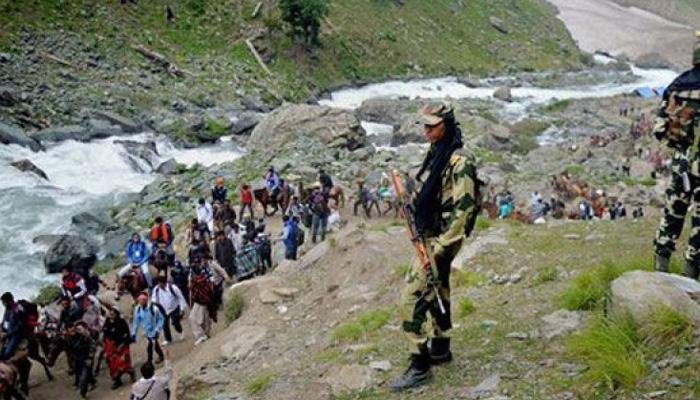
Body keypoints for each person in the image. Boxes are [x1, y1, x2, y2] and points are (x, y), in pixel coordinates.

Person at [390, 102, 480, 391]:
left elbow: (463, 209)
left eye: (432, 126)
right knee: (439, 286)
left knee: (411, 296)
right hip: (429, 233)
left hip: (442, 238)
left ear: (447, 125)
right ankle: (441, 348)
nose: (426, 130)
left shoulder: (459, 160)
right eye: (425, 126)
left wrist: (442, 247)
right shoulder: (437, 152)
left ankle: (419, 367)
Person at [653, 33, 700, 276]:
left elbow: (659, 130)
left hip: (682, 163)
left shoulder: (677, 86)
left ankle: (660, 269)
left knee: (673, 213)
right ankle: (691, 276)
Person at [102, 307, 134, 390]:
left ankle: (131, 373)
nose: (111, 315)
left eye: (113, 314)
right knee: (113, 365)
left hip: (122, 346)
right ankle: (117, 381)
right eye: (110, 313)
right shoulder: (107, 322)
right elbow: (105, 335)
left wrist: (122, 344)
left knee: (124, 363)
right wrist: (106, 346)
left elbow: (127, 334)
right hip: (112, 348)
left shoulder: (121, 322)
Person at [151, 276, 187, 346]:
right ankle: (168, 339)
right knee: (164, 324)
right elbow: (153, 299)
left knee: (176, 322)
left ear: (164, 283)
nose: (159, 285)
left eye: (160, 283)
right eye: (158, 283)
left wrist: (182, 309)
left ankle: (180, 332)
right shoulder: (156, 289)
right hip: (163, 309)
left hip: (174, 308)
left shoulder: (173, 288)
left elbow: (180, 297)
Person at [132, 293, 165, 365]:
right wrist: (134, 333)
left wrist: (157, 329)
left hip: (154, 329)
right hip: (146, 331)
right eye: (139, 301)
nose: (140, 303)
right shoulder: (138, 309)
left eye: (142, 301)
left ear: (146, 301)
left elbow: (161, 319)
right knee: (155, 344)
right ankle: (161, 355)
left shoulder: (153, 308)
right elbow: (136, 322)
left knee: (150, 346)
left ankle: (149, 361)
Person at [66, 321, 96, 398]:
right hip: (77, 359)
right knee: (81, 373)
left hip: (86, 357)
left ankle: (83, 391)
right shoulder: (68, 339)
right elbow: (69, 351)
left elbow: (92, 344)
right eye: (70, 331)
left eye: (73, 330)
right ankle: (92, 382)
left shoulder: (84, 335)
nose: (72, 333)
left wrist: (90, 356)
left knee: (84, 377)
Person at [188, 261, 215, 346]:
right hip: (205, 301)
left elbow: (192, 289)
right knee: (205, 318)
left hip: (200, 301)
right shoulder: (203, 279)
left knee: (193, 318)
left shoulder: (197, 281)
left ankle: (201, 335)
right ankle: (206, 334)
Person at [0, 293, 25, 361]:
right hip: (6, 333)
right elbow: (4, 320)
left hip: (16, 335)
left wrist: (8, 334)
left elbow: (20, 325)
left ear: (9, 301)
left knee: (7, 354)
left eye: (4, 303)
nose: (3, 305)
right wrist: (1, 330)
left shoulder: (18, 308)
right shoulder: (7, 308)